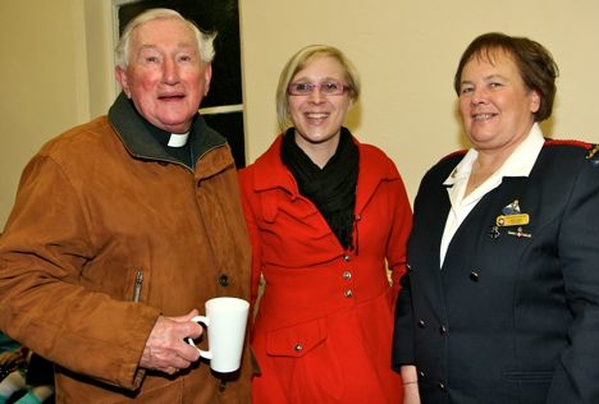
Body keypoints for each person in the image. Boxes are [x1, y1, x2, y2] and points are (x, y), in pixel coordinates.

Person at [0, 8, 251, 403]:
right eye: (151, 59)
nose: (170, 74)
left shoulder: (218, 156)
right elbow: (16, 287)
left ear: (205, 78)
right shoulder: (70, 163)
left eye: (184, 58)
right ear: (125, 80)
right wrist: (137, 339)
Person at [393, 32, 599, 403]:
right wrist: (412, 387)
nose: (478, 98)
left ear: (534, 97)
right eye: (467, 88)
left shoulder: (577, 174)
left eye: (495, 84)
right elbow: (416, 289)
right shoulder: (437, 181)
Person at [239, 44, 413, 403]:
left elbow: (407, 268)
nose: (316, 99)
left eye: (331, 86)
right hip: (289, 373)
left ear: (350, 98)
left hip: (377, 361)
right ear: (286, 100)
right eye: (302, 87)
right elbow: (242, 290)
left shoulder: (382, 169)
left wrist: (399, 336)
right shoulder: (250, 184)